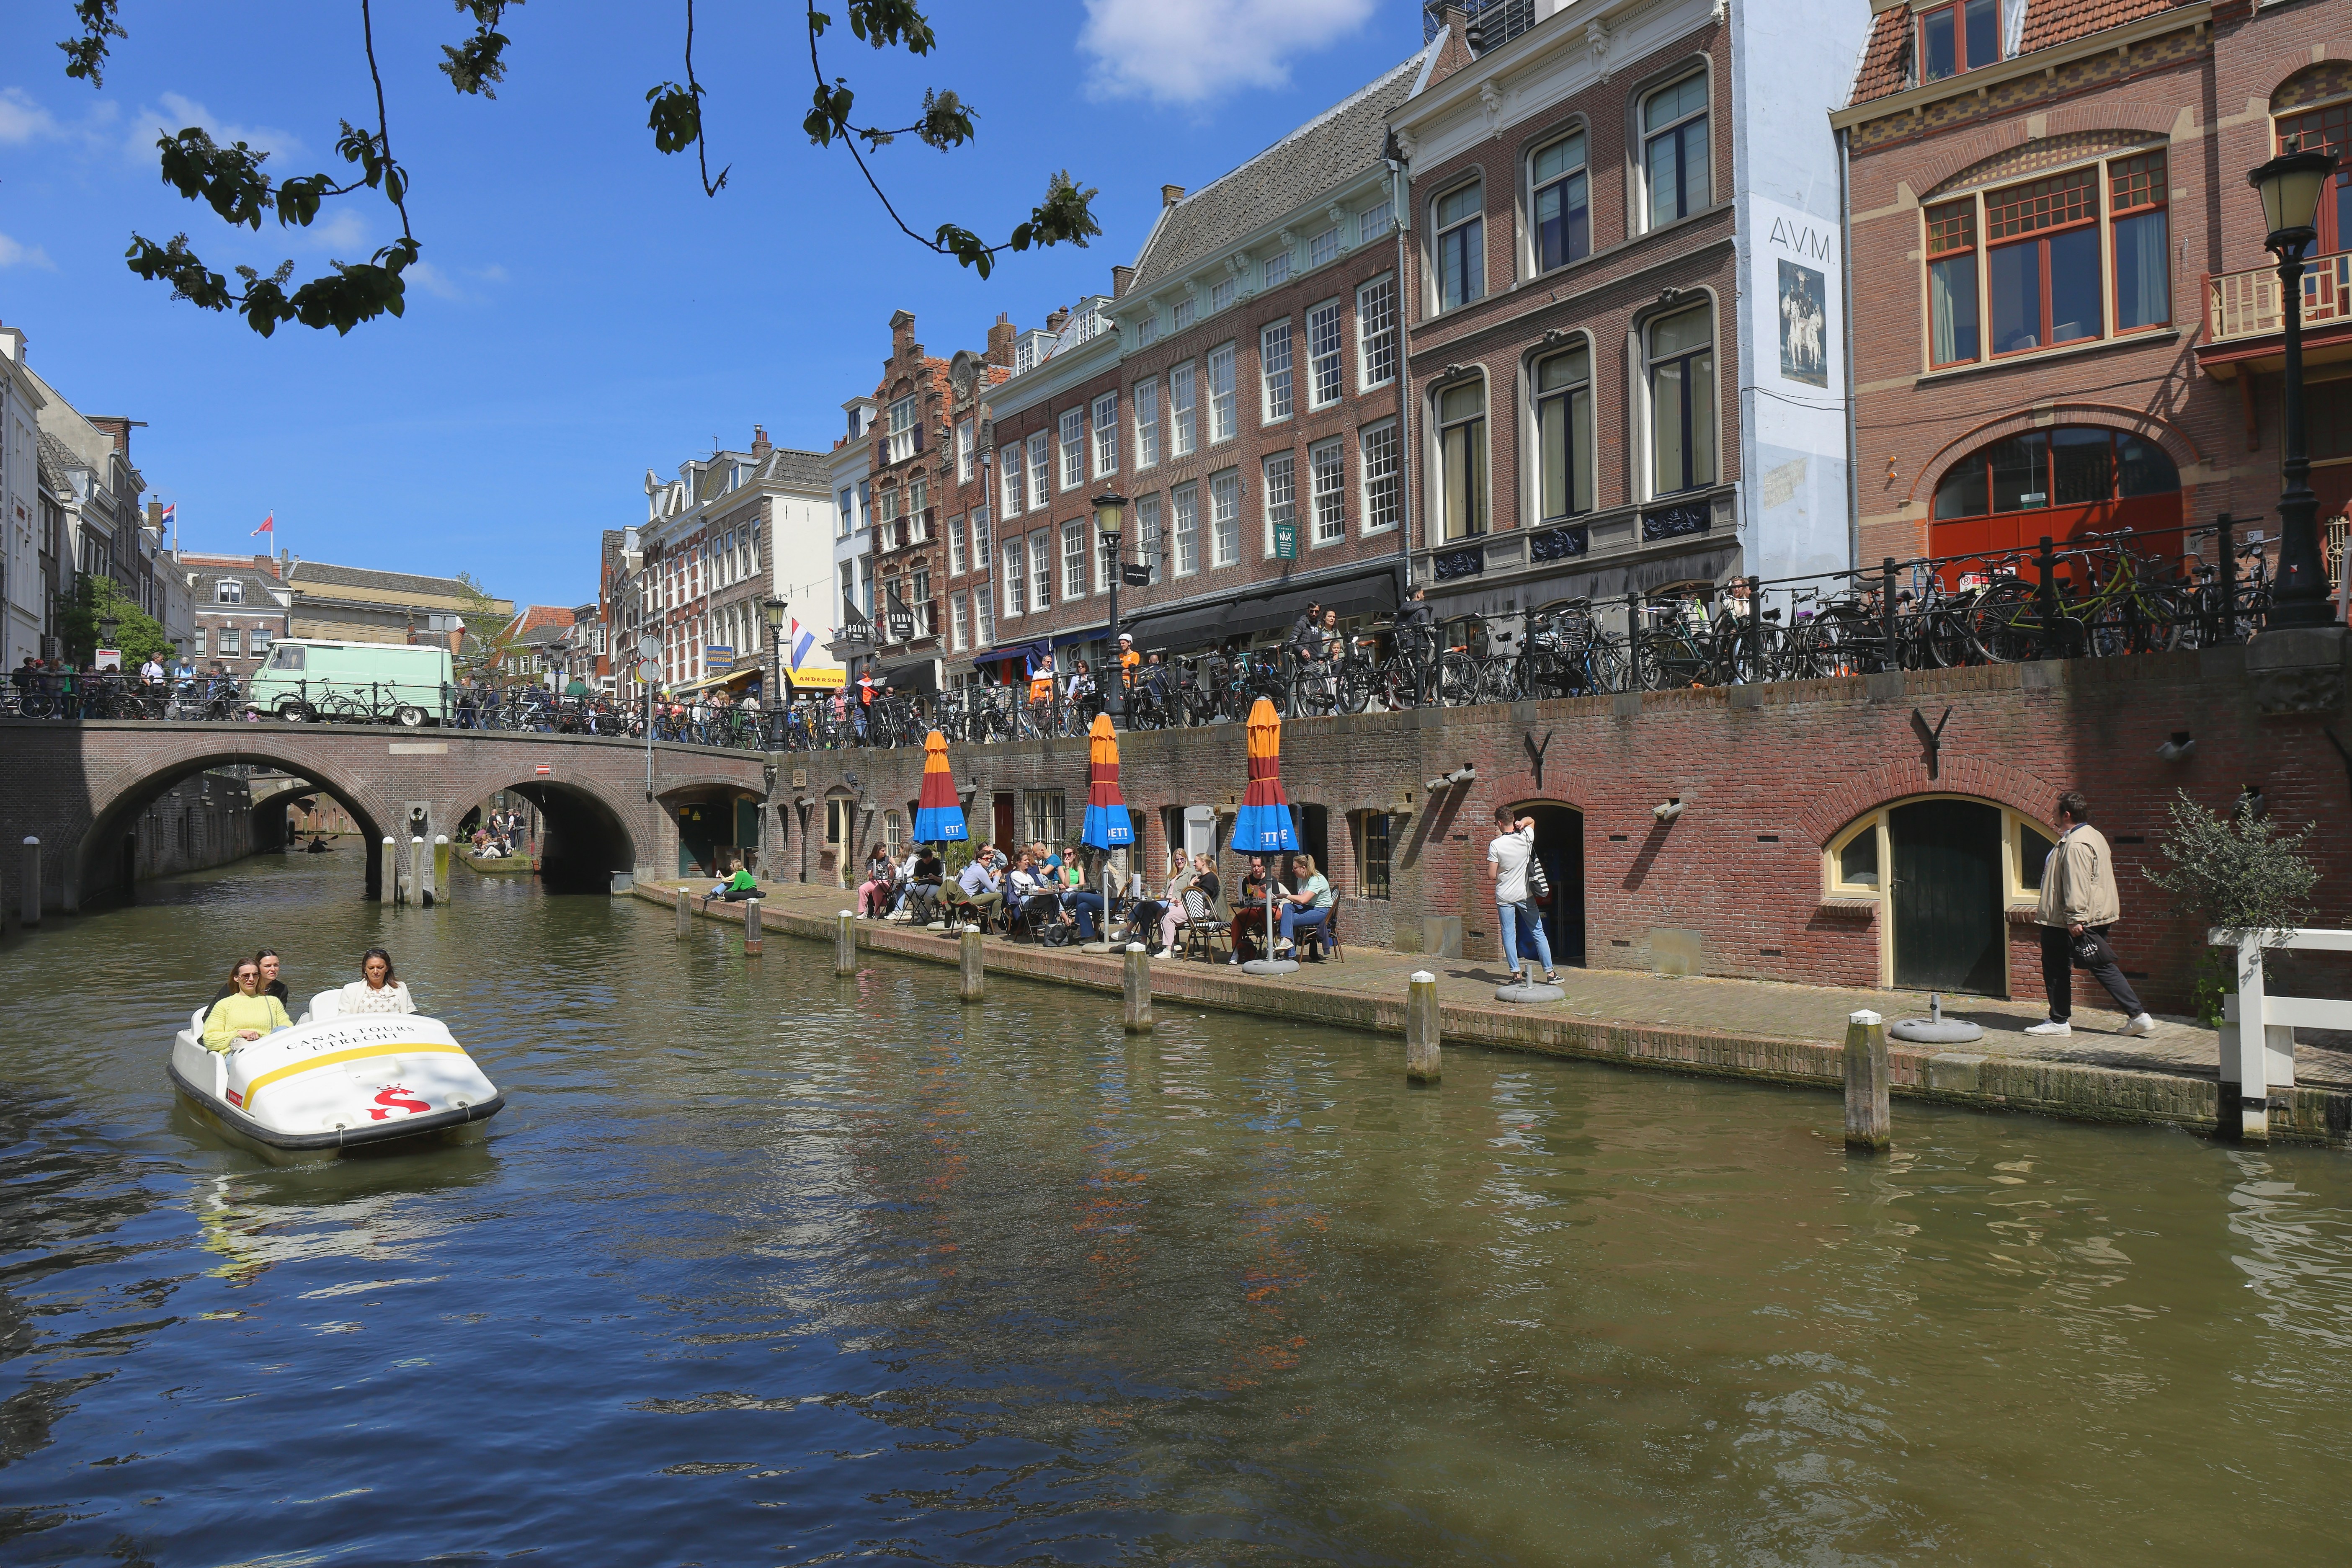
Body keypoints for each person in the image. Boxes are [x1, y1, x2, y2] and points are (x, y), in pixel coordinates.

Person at [2027, 791, 2154, 1037]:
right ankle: (2139, 1016)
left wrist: (2075, 917)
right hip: (2091, 916)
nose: (2051, 814)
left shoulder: (2075, 843)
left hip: (2068, 920)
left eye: (2055, 811)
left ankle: (2059, 1022)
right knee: (2101, 965)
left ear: (2066, 814)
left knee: (2056, 967)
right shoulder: (2094, 836)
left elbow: (2077, 882)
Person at [1488, 806, 1560, 985]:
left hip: (1505, 897)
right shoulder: (1527, 836)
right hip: (1525, 894)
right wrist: (1523, 822)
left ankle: (1516, 975)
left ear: (1498, 823)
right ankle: (1550, 974)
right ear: (1513, 820)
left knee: (1509, 935)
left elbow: (1491, 875)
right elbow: (1531, 820)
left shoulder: (1496, 845)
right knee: (1538, 932)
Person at [202, 956, 292, 1051]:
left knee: (282, 1029)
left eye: (255, 975)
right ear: (236, 978)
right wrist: (239, 1033)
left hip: (269, 1050)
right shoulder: (223, 1005)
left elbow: (289, 1031)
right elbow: (210, 1040)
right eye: (246, 976)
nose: (251, 979)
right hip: (239, 1054)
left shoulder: (274, 1002)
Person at [1272, 853, 1335, 959]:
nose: (1293, 871)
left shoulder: (1316, 880)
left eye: (1295, 868)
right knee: (1288, 907)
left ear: (1303, 868)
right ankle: (1286, 942)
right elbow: (1301, 901)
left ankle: (1288, 954)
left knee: (1289, 920)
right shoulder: (1301, 879)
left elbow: (1303, 900)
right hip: (1309, 907)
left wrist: (1285, 895)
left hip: (1322, 911)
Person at [1161, 852, 1222, 953]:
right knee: (1164, 912)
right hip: (1193, 908)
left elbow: (1201, 898)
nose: (1194, 864)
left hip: (1201, 910)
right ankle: (1172, 945)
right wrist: (1182, 902)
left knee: (1169, 917)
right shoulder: (1201, 878)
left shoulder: (1211, 878)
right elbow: (1193, 897)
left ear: (1203, 863)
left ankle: (1169, 950)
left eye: (1196, 862)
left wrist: (1190, 886)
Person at [339, 948, 417, 1015]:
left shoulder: (401, 987)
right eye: (371, 968)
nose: (376, 971)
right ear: (365, 969)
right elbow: (344, 1019)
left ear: (387, 968)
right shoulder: (350, 990)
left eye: (380, 968)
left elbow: (412, 1012)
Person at [211, 947, 291, 1009]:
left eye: (276, 965)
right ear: (258, 967)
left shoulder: (282, 989)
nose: (273, 970)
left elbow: (280, 1016)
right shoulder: (235, 986)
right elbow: (210, 1015)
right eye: (268, 966)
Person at [1228, 855, 1271, 963]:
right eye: (1254, 866)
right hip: (1253, 910)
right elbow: (1244, 899)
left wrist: (1264, 893)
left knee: (1267, 916)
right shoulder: (1247, 881)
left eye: (1259, 866)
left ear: (1264, 866)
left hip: (1267, 910)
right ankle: (1236, 950)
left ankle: (1272, 948)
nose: (1256, 869)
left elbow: (1276, 897)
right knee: (1237, 920)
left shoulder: (1270, 879)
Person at [956, 848, 1004, 926]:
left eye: (990, 859)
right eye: (986, 859)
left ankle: (984, 924)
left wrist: (989, 878)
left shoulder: (973, 868)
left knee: (983, 893)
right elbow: (992, 889)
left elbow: (977, 887)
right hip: (968, 901)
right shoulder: (981, 871)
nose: (989, 861)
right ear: (979, 860)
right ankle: (994, 923)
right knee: (999, 896)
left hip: (962, 899)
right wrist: (997, 878)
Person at [905, 845, 946, 925]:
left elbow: (943, 881)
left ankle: (925, 914)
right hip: (923, 885)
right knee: (910, 894)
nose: (925, 862)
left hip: (936, 885)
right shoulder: (919, 863)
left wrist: (934, 877)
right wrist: (919, 879)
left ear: (931, 856)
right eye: (923, 860)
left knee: (928, 895)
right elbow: (916, 878)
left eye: (927, 861)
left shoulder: (938, 863)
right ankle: (926, 912)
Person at [855, 843, 895, 918]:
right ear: (877, 851)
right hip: (873, 881)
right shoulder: (871, 861)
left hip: (884, 881)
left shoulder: (887, 859)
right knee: (862, 889)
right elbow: (870, 876)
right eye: (883, 851)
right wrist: (873, 870)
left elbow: (891, 876)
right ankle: (863, 912)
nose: (885, 852)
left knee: (877, 890)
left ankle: (877, 913)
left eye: (885, 850)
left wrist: (892, 869)